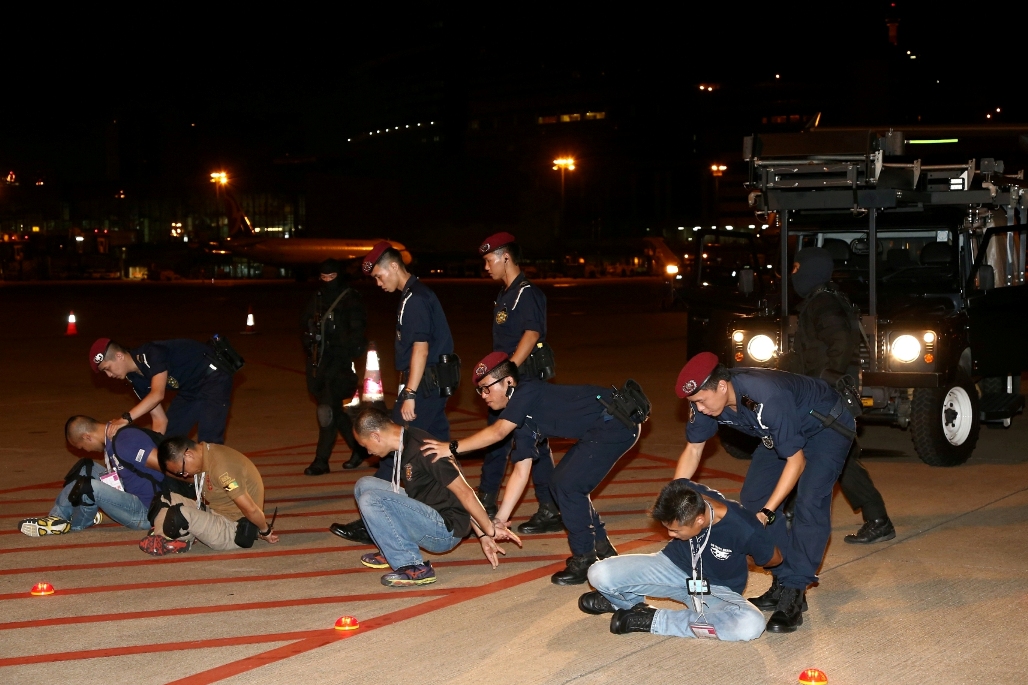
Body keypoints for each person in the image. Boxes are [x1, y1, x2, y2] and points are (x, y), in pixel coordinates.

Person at [422, 352, 643, 585]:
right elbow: (520, 471)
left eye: (487, 388)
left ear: (508, 382)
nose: (484, 396)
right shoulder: (522, 418)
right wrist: (499, 519)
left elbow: (497, 432)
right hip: (602, 428)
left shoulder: (527, 391)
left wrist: (452, 447)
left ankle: (585, 559)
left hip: (616, 423)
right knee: (561, 483)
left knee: (567, 485)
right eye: (480, 391)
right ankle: (602, 548)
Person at [673, 352, 856, 633]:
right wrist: (675, 496)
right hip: (781, 433)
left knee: (810, 502)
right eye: (693, 403)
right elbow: (694, 448)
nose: (699, 408)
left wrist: (768, 512)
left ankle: (795, 591)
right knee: (754, 498)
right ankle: (783, 578)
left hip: (825, 428)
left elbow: (796, 462)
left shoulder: (765, 396)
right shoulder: (706, 402)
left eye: (700, 400)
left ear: (721, 386)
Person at [330, 241, 457, 545]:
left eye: (378, 275)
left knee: (393, 443)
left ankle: (372, 521)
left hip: (422, 387)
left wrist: (410, 391)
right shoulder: (412, 296)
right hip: (428, 386)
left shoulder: (415, 299)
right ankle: (461, 506)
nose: (378, 282)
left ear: (393, 267)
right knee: (438, 447)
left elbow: (421, 348)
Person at [784, 246, 895, 544]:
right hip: (817, 393)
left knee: (825, 455)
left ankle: (876, 518)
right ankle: (876, 518)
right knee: (833, 456)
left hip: (825, 396)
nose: (793, 275)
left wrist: (826, 382)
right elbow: (807, 353)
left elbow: (841, 343)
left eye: (796, 268)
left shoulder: (824, 303)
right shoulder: (820, 299)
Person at [582, 479, 782, 640]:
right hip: (670, 566)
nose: (670, 535)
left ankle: (652, 620)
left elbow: (774, 559)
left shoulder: (744, 528)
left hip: (715, 590)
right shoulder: (686, 493)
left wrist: (750, 555)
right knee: (598, 573)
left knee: (750, 625)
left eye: (676, 530)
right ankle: (631, 605)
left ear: (699, 520)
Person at [351, 407, 521, 586]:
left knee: (371, 499)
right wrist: (483, 535)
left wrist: (488, 531)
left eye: (365, 446)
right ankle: (391, 550)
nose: (368, 452)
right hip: (427, 510)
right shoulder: (406, 441)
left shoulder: (425, 449)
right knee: (364, 485)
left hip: (444, 529)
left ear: (376, 436)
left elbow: (465, 492)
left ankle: (413, 567)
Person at [475, 232, 561, 534]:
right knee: (507, 439)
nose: (486, 266)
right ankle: (488, 498)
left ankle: (547, 506)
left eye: (489, 260)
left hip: (519, 380)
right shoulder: (506, 294)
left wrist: (507, 372)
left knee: (525, 441)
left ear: (505, 257)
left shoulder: (526, 293)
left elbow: (532, 334)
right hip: (507, 380)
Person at [19, 415, 165, 537]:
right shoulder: (111, 435)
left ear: (87, 437)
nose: (87, 451)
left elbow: (163, 463)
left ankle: (75, 524)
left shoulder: (123, 440)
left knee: (89, 486)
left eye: (82, 447)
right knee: (85, 467)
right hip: (131, 493)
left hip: (145, 513)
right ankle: (57, 518)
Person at [143, 436, 278, 556]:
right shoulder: (206, 453)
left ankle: (170, 538)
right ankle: (165, 537)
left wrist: (264, 531)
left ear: (189, 455)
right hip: (216, 513)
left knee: (179, 515)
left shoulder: (223, 471)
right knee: (164, 498)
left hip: (233, 528)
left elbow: (251, 509)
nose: (184, 476)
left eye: (181, 471)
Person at [89, 337, 234, 443]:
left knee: (209, 441)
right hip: (191, 389)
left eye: (107, 368)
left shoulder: (151, 353)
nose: (108, 375)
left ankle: (224, 484)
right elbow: (160, 420)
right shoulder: (135, 379)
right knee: (169, 440)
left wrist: (125, 419)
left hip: (214, 377)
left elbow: (157, 394)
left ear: (119, 356)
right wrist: (151, 451)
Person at [301, 258, 370, 475]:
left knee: (326, 411)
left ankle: (321, 461)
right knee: (334, 410)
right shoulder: (318, 297)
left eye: (332, 277)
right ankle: (359, 449)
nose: (328, 281)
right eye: (324, 277)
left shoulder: (350, 299)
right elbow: (304, 325)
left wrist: (341, 345)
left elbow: (358, 338)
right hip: (319, 363)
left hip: (339, 365)